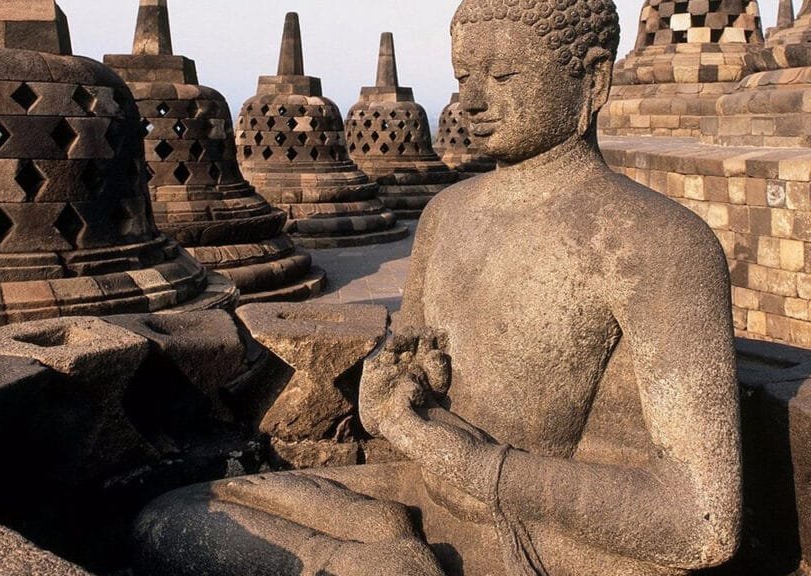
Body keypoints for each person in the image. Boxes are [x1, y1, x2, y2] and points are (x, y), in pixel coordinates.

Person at [130, 0, 743, 573]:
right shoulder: (446, 215)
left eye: (502, 76)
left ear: (592, 81)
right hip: (427, 493)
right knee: (176, 516)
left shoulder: (659, 243)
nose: (472, 101)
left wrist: (483, 469)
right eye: (462, 77)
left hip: (537, 538)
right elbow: (407, 381)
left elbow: (702, 520)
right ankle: (366, 561)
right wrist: (388, 395)